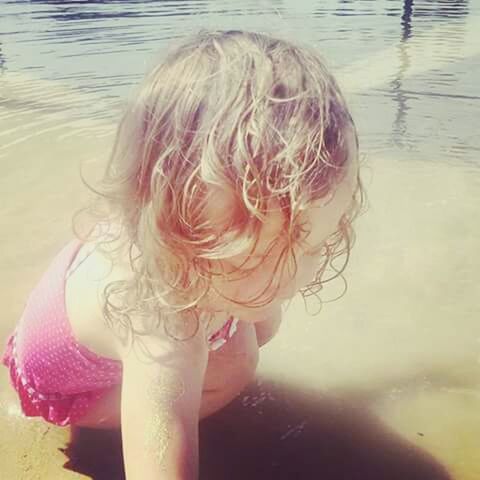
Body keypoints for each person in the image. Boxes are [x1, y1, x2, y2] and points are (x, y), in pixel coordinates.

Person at [2, 29, 364, 479]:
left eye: (318, 245)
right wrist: (165, 413)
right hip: (65, 387)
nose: (301, 276)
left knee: (254, 327)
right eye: (255, 256)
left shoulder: (199, 249)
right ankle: (126, 406)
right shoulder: (160, 328)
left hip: (118, 292)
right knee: (226, 369)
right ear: (177, 235)